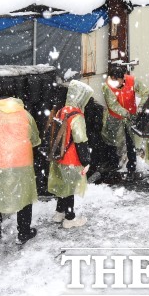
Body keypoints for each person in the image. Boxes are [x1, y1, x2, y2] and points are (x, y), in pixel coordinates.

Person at [0, 96, 40, 244]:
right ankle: (23, 232)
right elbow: (35, 139)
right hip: (20, 163)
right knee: (24, 196)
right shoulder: (24, 114)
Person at [48, 80, 92, 229]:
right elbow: (80, 139)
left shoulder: (62, 111)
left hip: (59, 156)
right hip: (71, 157)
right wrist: (86, 160)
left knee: (62, 185)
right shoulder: (77, 116)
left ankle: (59, 212)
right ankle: (70, 218)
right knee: (70, 189)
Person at [101, 63, 149, 183]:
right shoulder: (107, 86)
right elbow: (113, 105)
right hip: (114, 118)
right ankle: (113, 167)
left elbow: (145, 92)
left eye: (117, 80)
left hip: (131, 117)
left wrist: (142, 106)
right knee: (113, 142)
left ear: (123, 78)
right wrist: (126, 113)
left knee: (131, 143)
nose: (114, 83)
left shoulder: (132, 81)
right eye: (112, 80)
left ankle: (131, 168)